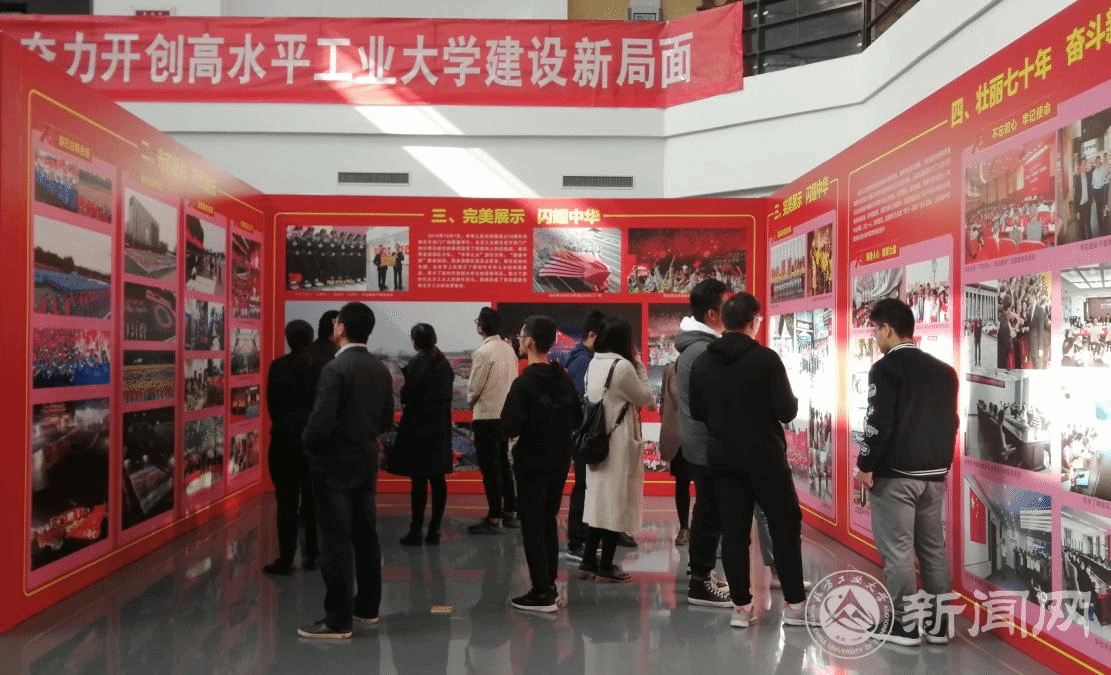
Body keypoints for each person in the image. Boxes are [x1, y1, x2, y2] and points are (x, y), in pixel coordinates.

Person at [688, 292, 812, 630]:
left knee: (734, 531)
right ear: (753, 321)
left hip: (723, 459)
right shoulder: (766, 360)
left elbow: (697, 411)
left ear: (724, 321)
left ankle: (741, 607)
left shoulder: (703, 362)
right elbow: (787, 410)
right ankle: (795, 605)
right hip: (765, 458)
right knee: (784, 526)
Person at [855, 298, 959, 647]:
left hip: (896, 476)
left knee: (897, 550)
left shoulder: (884, 369)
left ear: (887, 329)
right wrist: (942, 465)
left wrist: (865, 465)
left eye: (875, 329)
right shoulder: (945, 371)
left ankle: (905, 623)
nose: (874, 336)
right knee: (932, 549)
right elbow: (951, 423)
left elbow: (877, 424)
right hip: (934, 475)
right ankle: (940, 624)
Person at [298, 302, 395, 639]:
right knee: (366, 535)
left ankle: (337, 620)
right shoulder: (380, 368)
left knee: (335, 541)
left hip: (332, 466)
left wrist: (308, 444)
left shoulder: (335, 369)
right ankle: (367, 607)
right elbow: (386, 419)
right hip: (365, 461)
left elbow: (320, 421)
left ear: (341, 328)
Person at [501, 315, 582, 611]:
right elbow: (577, 419)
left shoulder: (524, 384)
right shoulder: (563, 379)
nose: (519, 341)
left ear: (531, 343)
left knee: (533, 526)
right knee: (548, 521)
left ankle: (542, 591)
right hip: (558, 462)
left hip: (531, 463)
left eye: (521, 336)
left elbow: (509, 426)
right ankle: (549, 583)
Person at [674, 279, 734, 607]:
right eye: (726, 306)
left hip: (702, 443)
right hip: (708, 445)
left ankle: (702, 574)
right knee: (710, 514)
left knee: (707, 512)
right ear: (712, 314)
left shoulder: (697, 348)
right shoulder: (703, 351)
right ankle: (700, 582)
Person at [579, 316, 652, 582]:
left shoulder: (593, 363)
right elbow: (645, 397)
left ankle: (588, 561)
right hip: (617, 442)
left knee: (598, 503)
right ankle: (606, 565)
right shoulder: (622, 367)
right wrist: (639, 365)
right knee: (616, 503)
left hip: (597, 440)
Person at [262, 319, 324, 575]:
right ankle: (313, 555)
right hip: (314, 442)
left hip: (284, 441)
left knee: (286, 501)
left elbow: (272, 405)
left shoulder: (278, 366)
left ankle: (286, 558)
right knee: (313, 502)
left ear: (288, 339)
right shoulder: (323, 367)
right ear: (311, 338)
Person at [390, 323, 454, 546]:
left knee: (419, 482)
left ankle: (416, 530)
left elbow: (408, 396)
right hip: (440, 428)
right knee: (438, 479)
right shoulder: (443, 363)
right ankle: (434, 530)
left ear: (415, 341)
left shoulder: (418, 363)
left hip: (419, 428)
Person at [467, 307, 520, 534]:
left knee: (490, 469)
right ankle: (509, 512)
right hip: (504, 416)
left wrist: (470, 401)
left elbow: (474, 387)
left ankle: (494, 517)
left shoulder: (483, 352)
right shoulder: (509, 350)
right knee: (504, 464)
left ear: (480, 327)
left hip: (486, 416)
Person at [560, 309, 606, 559]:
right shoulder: (582, 362)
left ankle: (583, 536)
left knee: (588, 486)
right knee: (583, 485)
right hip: (583, 434)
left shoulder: (585, 359)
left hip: (585, 433)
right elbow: (581, 403)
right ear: (592, 335)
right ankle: (577, 540)